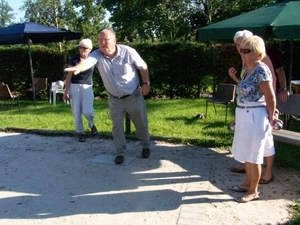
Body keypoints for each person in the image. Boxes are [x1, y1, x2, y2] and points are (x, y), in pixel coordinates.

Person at [64, 29, 151, 164]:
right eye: (99, 40)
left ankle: (145, 145)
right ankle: (120, 152)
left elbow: (143, 67)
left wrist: (146, 83)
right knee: (117, 127)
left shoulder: (128, 52)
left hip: (133, 96)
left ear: (114, 40)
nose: (102, 43)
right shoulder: (97, 55)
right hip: (114, 99)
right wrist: (78, 68)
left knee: (141, 124)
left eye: (105, 40)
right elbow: (87, 62)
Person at [229, 35, 283, 203]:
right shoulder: (247, 70)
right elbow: (245, 93)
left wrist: (272, 116)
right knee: (246, 153)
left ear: (257, 53)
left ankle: (253, 190)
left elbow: (270, 97)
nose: (242, 53)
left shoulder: (261, 69)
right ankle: (247, 183)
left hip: (255, 116)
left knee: (254, 155)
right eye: (241, 50)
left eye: (247, 51)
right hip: (244, 114)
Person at [64, 38, 98, 142]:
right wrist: (66, 91)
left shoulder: (92, 58)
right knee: (76, 111)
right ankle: (80, 132)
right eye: (80, 47)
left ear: (90, 49)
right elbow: (69, 75)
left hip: (87, 86)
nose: (82, 50)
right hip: (74, 86)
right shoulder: (74, 59)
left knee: (88, 111)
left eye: (84, 48)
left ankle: (91, 125)